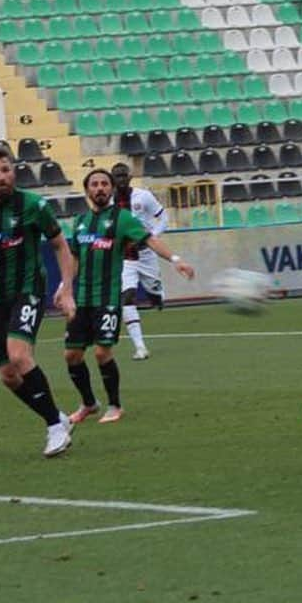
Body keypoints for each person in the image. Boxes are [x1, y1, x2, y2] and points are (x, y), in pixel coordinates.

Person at [0, 145, 77, 458]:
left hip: (29, 288)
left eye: (6, 170)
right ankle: (57, 418)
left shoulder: (33, 205)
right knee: (8, 376)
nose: (2, 177)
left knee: (18, 354)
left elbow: (61, 246)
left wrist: (66, 288)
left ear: (14, 171)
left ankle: (55, 427)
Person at [60, 168, 195, 426]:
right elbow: (74, 258)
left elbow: (150, 240)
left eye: (104, 184)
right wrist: (64, 286)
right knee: (71, 356)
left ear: (110, 190)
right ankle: (89, 403)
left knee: (101, 353)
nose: (99, 188)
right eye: (94, 184)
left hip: (108, 298)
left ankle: (114, 405)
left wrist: (175, 259)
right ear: (87, 190)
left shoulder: (122, 219)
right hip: (82, 300)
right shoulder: (79, 222)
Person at [111, 161, 167, 361]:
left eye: (123, 175)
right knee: (127, 297)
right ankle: (140, 347)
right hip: (126, 257)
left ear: (129, 177)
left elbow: (163, 217)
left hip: (147, 253)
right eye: (116, 176)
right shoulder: (110, 201)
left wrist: (152, 236)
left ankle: (157, 295)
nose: (120, 179)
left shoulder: (143, 196)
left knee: (155, 297)